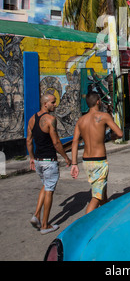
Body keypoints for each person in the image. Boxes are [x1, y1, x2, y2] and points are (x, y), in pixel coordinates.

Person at [71, 91, 123, 214]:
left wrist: (74, 164)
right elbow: (120, 133)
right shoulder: (104, 116)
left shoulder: (81, 120)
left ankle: (104, 216)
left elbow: (74, 142)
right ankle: (85, 224)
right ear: (98, 101)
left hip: (86, 162)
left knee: (101, 192)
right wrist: (112, 136)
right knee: (96, 197)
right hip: (99, 160)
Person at [26, 93, 71, 235]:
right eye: (53, 102)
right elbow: (56, 142)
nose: (55, 104)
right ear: (45, 104)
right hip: (49, 162)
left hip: (38, 161)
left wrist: (32, 157)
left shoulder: (32, 119)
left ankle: (37, 215)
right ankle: (45, 225)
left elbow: (28, 140)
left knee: (45, 186)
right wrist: (66, 158)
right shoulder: (51, 120)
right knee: (49, 191)